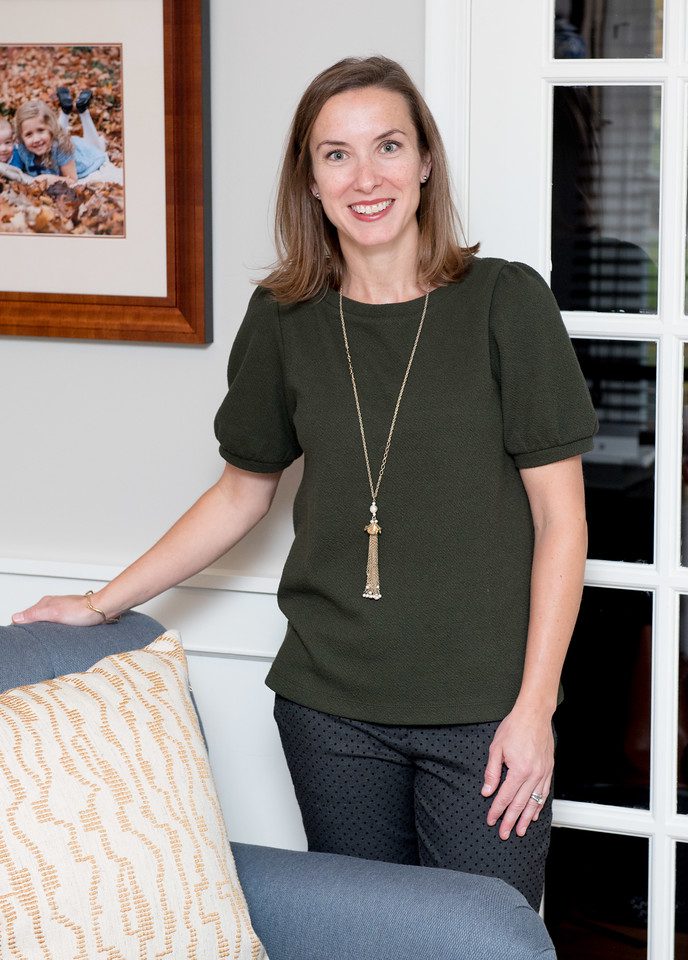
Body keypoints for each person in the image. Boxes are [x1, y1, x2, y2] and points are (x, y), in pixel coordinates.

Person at [12, 56, 598, 912]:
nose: (367, 178)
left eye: (388, 146)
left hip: (486, 715)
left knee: (488, 935)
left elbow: (563, 523)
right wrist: (100, 605)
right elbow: (240, 494)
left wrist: (534, 709)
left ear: (426, 161)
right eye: (337, 155)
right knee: (357, 934)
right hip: (332, 712)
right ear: (309, 179)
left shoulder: (507, 304)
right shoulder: (285, 319)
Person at [10, 95, 122, 185]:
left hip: (87, 158)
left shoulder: (62, 148)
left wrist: (48, 178)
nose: (36, 139)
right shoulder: (22, 148)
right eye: (29, 134)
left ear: (50, 129)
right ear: (21, 137)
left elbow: (72, 180)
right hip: (66, 142)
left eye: (41, 130)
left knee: (97, 148)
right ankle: (65, 111)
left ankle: (83, 111)